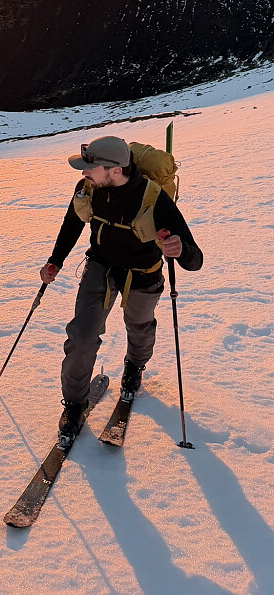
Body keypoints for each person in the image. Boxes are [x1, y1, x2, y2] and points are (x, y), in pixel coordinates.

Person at [39, 135, 203, 443]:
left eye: (90, 168)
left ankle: (134, 367)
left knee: (139, 327)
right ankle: (75, 404)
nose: (83, 174)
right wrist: (55, 262)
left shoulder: (154, 199)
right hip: (100, 267)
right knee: (82, 336)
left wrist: (180, 249)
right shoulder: (89, 188)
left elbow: (195, 260)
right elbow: (72, 222)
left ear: (115, 170)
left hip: (143, 274)